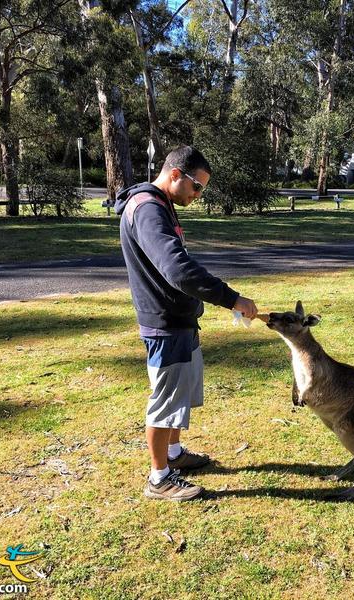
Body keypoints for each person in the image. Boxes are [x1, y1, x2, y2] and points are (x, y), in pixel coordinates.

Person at [115, 145, 258, 501]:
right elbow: (177, 270)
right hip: (165, 323)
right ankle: (159, 477)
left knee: (180, 394)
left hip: (181, 319)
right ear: (175, 174)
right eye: (197, 186)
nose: (198, 195)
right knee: (165, 401)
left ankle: (174, 455)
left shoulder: (160, 206)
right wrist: (231, 298)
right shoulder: (148, 209)